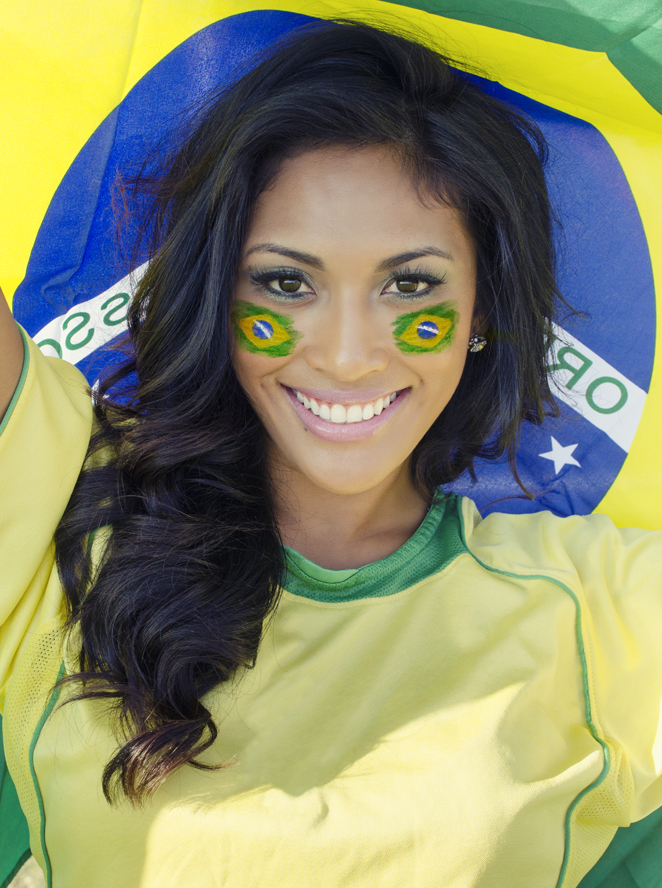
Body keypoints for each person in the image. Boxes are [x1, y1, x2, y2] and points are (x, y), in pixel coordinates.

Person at [1, 18, 661, 888]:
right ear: (219, 293)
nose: (348, 355)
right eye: (286, 283)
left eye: (410, 285)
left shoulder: (602, 606)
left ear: (483, 312)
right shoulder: (62, 495)